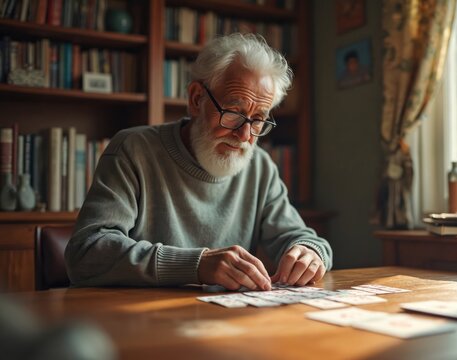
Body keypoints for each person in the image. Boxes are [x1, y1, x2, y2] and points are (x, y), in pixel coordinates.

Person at [65, 33, 333, 291]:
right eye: (233, 113)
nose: (244, 135)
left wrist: (310, 252)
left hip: (228, 324)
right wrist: (197, 264)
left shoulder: (260, 167)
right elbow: (87, 252)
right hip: (144, 323)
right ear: (196, 100)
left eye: (258, 119)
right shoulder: (133, 150)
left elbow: (301, 237)